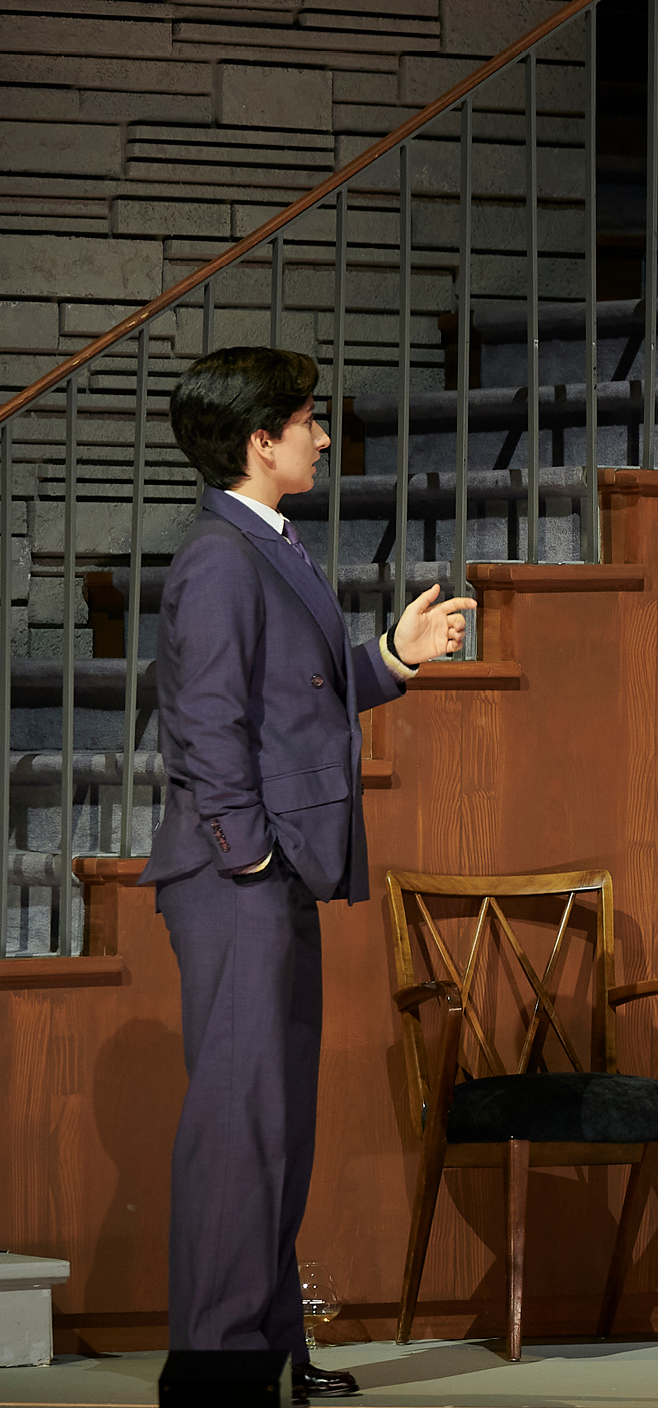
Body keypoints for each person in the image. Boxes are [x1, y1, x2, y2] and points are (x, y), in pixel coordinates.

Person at [141, 349, 473, 1406]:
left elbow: (299, 697)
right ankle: (219, 1368)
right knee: (241, 1126)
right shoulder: (219, 558)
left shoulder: (263, 543)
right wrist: (247, 849)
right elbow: (207, 720)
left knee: (276, 1122)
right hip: (239, 877)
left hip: (272, 870)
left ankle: (269, 1351)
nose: (324, 437)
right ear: (260, 440)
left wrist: (394, 656)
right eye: (307, 421)